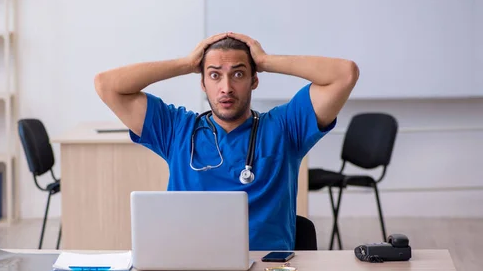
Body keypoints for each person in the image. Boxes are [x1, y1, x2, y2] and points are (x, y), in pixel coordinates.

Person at [94, 32, 359, 250]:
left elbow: (344, 74)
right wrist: (186, 63)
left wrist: (266, 60)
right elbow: (106, 85)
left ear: (254, 80)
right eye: (214, 75)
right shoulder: (176, 129)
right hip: (190, 270)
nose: (226, 88)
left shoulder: (286, 127)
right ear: (202, 83)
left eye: (239, 74)